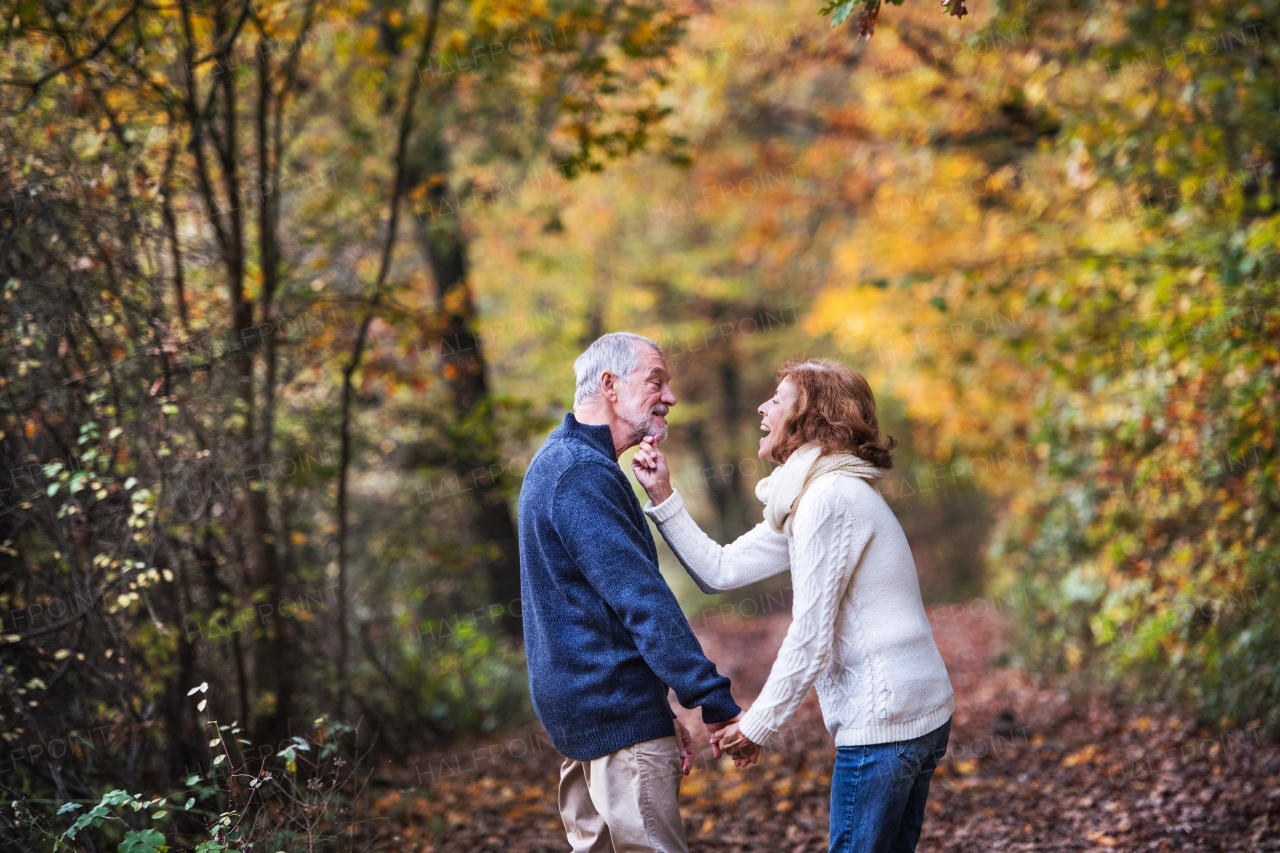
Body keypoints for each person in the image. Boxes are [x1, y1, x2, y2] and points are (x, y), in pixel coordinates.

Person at [632, 358, 954, 853]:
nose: (762, 408)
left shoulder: (829, 499)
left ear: (811, 419)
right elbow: (721, 569)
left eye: (777, 400)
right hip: (913, 714)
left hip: (886, 723)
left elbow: (811, 636)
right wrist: (662, 494)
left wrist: (758, 726)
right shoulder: (814, 496)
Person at [518, 331, 743, 853]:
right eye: (656, 381)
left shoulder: (561, 462)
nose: (670, 397)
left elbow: (592, 612)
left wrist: (657, 712)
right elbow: (642, 601)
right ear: (610, 386)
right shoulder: (581, 475)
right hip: (612, 717)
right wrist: (712, 701)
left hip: (589, 719)